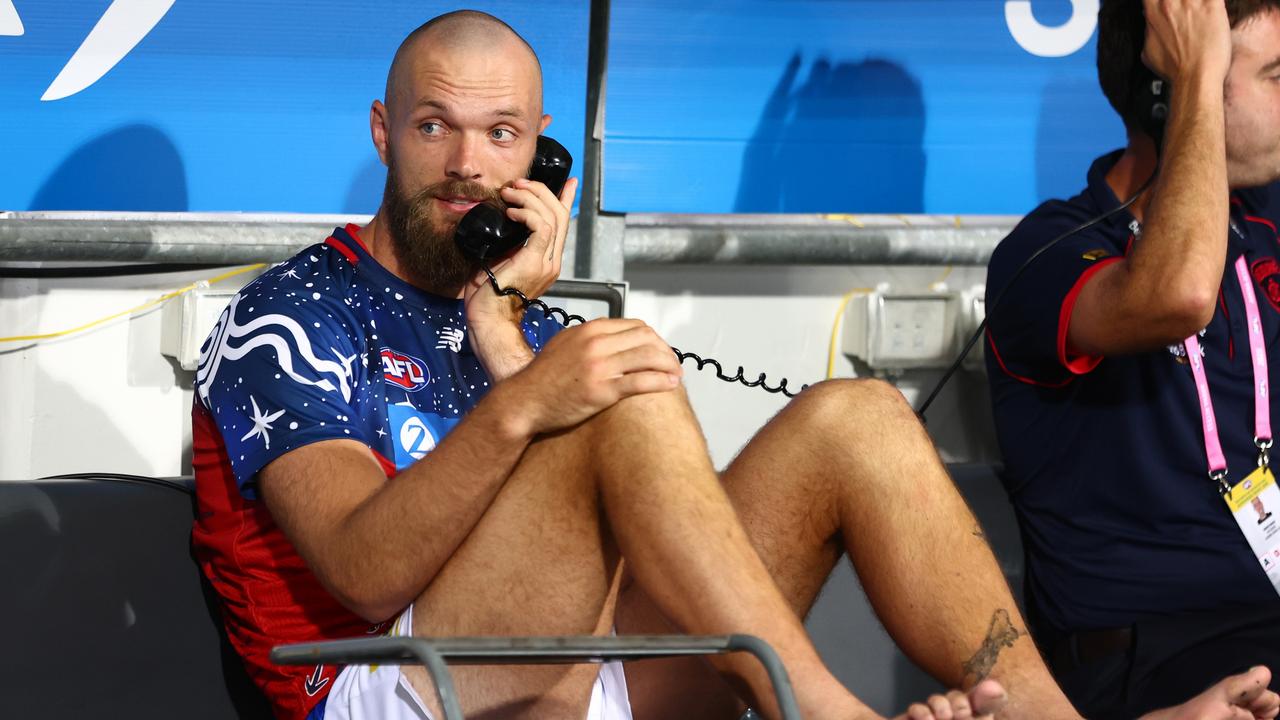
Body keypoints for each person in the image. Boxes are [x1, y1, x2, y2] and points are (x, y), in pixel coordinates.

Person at [191, 8, 1279, 720]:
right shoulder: (294, 309)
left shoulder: (518, 321)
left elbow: (657, 551)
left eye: (503, 135)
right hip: (377, 690)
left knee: (852, 416)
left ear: (543, 152)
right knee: (620, 372)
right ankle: (817, 710)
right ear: (382, 131)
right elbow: (364, 574)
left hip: (569, 673)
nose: (469, 165)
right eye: (435, 126)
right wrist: (528, 400)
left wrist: (507, 337)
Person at [985, 0, 1280, 717]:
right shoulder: (1045, 252)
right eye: (1276, 76)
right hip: (1153, 660)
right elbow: (1177, 296)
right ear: (1173, 93)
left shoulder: (1265, 216)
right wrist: (1197, 77)